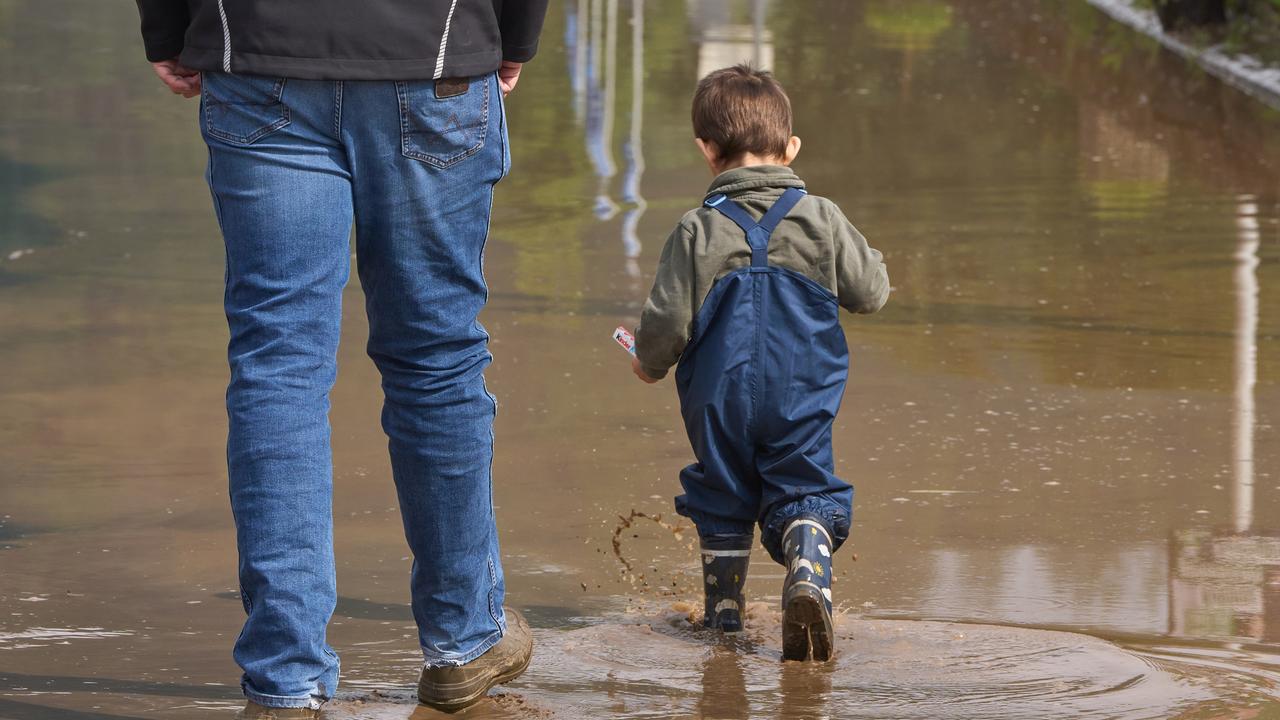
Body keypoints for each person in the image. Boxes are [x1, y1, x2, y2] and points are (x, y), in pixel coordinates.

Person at [132, 1, 548, 715]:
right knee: (436, 359)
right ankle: (463, 641)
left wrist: (169, 29)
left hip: (260, 54)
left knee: (278, 369)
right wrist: (513, 36)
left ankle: (286, 676)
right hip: (434, 53)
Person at [630, 64, 890, 661]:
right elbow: (871, 292)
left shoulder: (696, 230)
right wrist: (860, 249)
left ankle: (723, 624)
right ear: (791, 147)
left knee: (722, 492)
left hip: (716, 400)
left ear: (707, 150)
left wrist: (648, 364)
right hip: (803, 396)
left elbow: (668, 323)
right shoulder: (822, 219)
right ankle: (807, 564)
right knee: (804, 487)